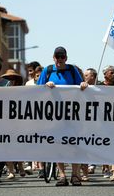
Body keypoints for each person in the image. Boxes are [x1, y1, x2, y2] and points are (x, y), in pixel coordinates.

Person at [37, 46, 88, 186]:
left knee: (75, 144)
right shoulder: (47, 71)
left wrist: (84, 84)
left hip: (73, 114)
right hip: (54, 115)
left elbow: (82, 85)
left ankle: (75, 175)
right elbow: (37, 89)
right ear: (53, 57)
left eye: (62, 57)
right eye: (57, 57)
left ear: (66, 58)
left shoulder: (72, 70)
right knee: (58, 144)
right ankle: (62, 175)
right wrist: (45, 85)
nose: (60, 59)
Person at [1, 69, 26, 179]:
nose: (10, 81)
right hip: (5, 122)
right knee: (6, 147)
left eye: (12, 78)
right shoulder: (2, 91)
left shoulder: (21, 91)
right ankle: (11, 170)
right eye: (8, 79)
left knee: (18, 146)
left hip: (18, 123)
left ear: (16, 80)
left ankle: (20, 166)